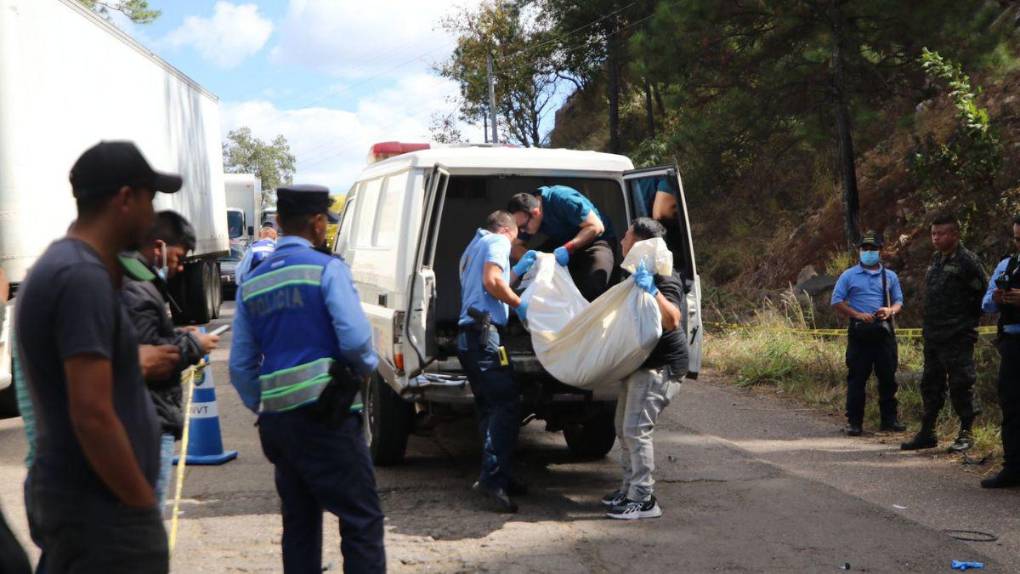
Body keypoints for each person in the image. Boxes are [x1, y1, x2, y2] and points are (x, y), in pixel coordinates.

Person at [15, 140, 182, 573]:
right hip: (102, 511)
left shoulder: (70, 267)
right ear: (125, 199)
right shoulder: (80, 277)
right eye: (150, 198)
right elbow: (92, 412)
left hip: (90, 504)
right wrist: (141, 507)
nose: (153, 214)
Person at [229, 184, 385, 573]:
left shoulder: (254, 280)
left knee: (299, 523)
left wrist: (265, 403)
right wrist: (364, 369)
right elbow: (355, 339)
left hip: (278, 425)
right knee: (361, 518)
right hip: (327, 416)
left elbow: (240, 366)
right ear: (317, 223)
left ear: (279, 222)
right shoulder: (327, 269)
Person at [121, 211, 220, 511]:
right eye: (179, 256)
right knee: (147, 521)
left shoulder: (139, 282)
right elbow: (147, 358)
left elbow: (144, 339)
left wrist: (175, 333)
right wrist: (193, 344)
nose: (178, 266)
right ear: (159, 246)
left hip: (146, 419)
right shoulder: (137, 288)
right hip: (148, 423)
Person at [602, 218, 688, 521]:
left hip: (660, 367)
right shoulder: (637, 274)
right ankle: (629, 490)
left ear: (640, 244)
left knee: (636, 431)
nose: (622, 242)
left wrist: (652, 290)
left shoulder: (664, 276)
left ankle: (644, 499)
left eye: (626, 237)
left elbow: (672, 319)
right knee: (623, 429)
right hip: (640, 365)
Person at [456, 211, 535, 513]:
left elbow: (494, 280)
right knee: (507, 403)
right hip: (485, 336)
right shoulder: (498, 242)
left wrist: (514, 275)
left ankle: (498, 473)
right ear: (506, 230)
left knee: (490, 406)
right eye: (516, 238)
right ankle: (493, 480)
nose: (514, 244)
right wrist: (520, 303)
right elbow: (492, 282)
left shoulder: (473, 247)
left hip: (470, 337)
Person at [902, 214, 987, 452]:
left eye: (941, 234)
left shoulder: (967, 261)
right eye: (933, 234)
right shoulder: (936, 260)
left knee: (961, 384)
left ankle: (966, 434)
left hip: (957, 336)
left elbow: (982, 294)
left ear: (955, 234)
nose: (936, 238)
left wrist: (965, 323)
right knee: (931, 384)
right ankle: (927, 432)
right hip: (934, 335)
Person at [830, 231, 906, 437]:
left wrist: (889, 310)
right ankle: (855, 422)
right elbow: (836, 300)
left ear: (880, 251)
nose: (868, 252)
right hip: (859, 333)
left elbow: (899, 301)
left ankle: (889, 420)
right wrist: (857, 314)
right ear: (859, 251)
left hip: (883, 332)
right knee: (857, 378)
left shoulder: (889, 276)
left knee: (888, 377)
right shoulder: (848, 275)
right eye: (865, 249)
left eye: (872, 249)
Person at [507, 185, 618, 302]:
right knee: (526, 272)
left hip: (596, 239)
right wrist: (536, 261)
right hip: (563, 241)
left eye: (523, 227)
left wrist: (568, 248)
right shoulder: (527, 214)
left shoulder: (562, 199)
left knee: (594, 282)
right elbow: (515, 246)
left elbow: (596, 226)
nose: (522, 231)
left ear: (535, 213)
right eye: (518, 228)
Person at [979, 215, 1020, 489]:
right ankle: (1013, 467)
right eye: (1017, 238)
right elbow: (986, 303)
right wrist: (996, 298)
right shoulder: (1007, 265)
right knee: (1012, 406)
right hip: (1013, 345)